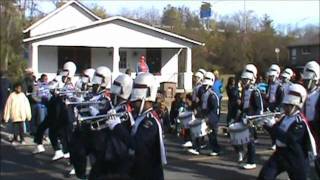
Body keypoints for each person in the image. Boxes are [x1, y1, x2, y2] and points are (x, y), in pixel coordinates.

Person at [107, 73, 166, 180]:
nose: (133, 103)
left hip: (149, 173)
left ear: (146, 98)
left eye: (137, 100)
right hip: (138, 170)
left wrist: (117, 127)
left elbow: (136, 144)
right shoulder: (141, 117)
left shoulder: (149, 121)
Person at [258, 83, 317, 180]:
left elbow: (289, 139)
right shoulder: (284, 118)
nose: (285, 107)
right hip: (280, 154)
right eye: (285, 104)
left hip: (294, 158)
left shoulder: (299, 122)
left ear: (296, 106)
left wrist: (273, 126)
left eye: (289, 105)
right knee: (265, 175)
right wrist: (265, 124)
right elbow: (275, 133)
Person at [89, 74, 134, 179]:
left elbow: (126, 133)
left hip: (118, 154)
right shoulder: (114, 107)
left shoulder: (126, 110)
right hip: (107, 151)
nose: (112, 94)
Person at [237, 64, 263, 169]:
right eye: (243, 80)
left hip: (251, 119)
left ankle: (252, 162)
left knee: (250, 141)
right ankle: (247, 157)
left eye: (246, 80)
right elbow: (245, 106)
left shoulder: (255, 91)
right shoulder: (245, 90)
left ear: (251, 80)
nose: (243, 82)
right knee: (243, 139)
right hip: (245, 117)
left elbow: (258, 107)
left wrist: (254, 119)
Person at [302, 61, 320, 177]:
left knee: (318, 160)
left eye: (309, 80)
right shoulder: (303, 93)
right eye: (305, 80)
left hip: (317, 130)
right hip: (305, 129)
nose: (306, 82)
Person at [266, 64, 285, 150]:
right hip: (270, 107)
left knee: (275, 126)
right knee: (268, 126)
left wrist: (277, 109)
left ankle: (276, 142)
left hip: (276, 109)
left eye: (272, 76)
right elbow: (268, 96)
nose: (271, 78)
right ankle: (274, 141)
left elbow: (281, 100)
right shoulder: (269, 85)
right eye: (270, 76)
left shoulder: (280, 86)